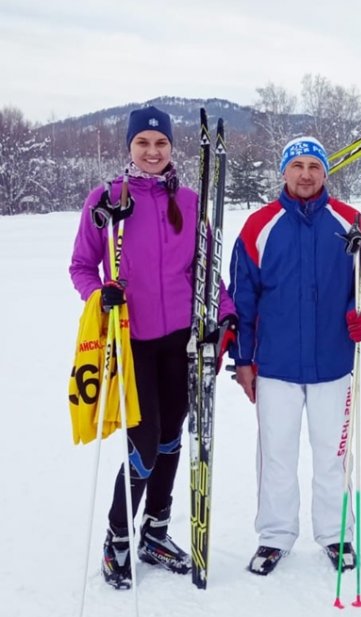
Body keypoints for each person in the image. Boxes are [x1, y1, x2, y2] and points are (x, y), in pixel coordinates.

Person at [69, 106, 237, 589]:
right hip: (132, 339)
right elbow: (82, 266)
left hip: (178, 340)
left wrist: (224, 311)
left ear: (171, 148)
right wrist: (101, 295)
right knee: (143, 444)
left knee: (170, 439)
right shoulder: (106, 201)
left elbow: (206, 270)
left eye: (160, 143)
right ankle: (117, 538)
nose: (152, 151)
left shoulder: (187, 199)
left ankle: (156, 533)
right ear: (129, 147)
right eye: (142, 143)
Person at [229, 136, 361, 576]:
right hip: (276, 366)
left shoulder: (351, 222)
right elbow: (241, 300)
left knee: (332, 455)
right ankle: (274, 536)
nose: (305, 174)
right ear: (283, 171)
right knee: (276, 454)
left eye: (314, 167)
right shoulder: (258, 227)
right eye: (297, 165)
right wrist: (244, 360)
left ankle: (336, 533)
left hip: (334, 364)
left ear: (325, 172)